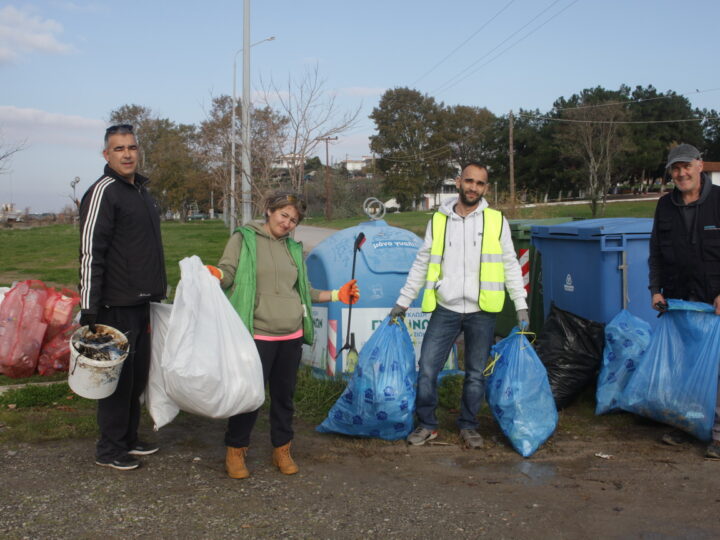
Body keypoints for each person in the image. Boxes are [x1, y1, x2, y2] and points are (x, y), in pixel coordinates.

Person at [209, 192, 359, 479]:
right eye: (283, 215)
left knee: (284, 397)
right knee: (249, 397)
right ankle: (236, 450)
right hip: (257, 335)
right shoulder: (244, 239)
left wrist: (337, 295)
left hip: (290, 336)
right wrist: (215, 273)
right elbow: (227, 271)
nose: (288, 223)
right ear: (269, 211)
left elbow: (304, 291)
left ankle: (282, 449)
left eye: (294, 220)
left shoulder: (293, 249)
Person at [390, 162, 529, 449]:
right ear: (458, 182)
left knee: (475, 373)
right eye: (469, 181)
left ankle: (469, 426)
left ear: (485, 188)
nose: (473, 187)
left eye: (480, 183)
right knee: (427, 368)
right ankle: (427, 424)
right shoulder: (438, 221)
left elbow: (510, 264)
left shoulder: (495, 220)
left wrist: (521, 305)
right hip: (446, 308)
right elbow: (422, 262)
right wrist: (403, 301)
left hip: (482, 311)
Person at [79, 124, 167, 470]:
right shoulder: (103, 192)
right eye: (119, 149)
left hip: (142, 302)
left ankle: (128, 440)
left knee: (135, 378)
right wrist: (89, 307)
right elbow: (90, 252)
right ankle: (109, 449)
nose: (127, 153)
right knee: (115, 382)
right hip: (113, 305)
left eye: (131, 147)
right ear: (106, 155)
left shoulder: (142, 192)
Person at [648, 143, 720, 460]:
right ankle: (686, 425)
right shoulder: (665, 206)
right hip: (679, 300)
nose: (681, 173)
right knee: (684, 366)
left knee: (717, 369)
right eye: (675, 169)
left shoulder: (719, 201)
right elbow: (655, 253)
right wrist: (655, 289)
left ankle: (718, 435)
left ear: (699, 166)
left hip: (714, 301)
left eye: (686, 166)